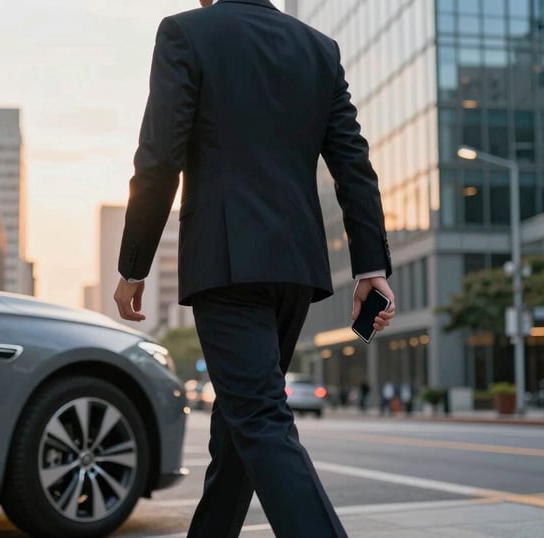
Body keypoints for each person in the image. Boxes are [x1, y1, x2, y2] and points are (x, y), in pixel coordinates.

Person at [113, 1, 396, 536]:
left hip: (226, 261)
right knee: (239, 427)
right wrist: (370, 267)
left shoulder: (184, 34)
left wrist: (134, 264)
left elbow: (158, 156)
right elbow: (353, 165)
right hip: (297, 266)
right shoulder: (318, 48)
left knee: (258, 418)